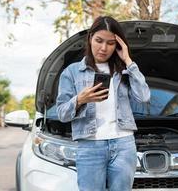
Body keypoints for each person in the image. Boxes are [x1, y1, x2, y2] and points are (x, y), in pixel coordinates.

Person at [56, 16, 150, 191]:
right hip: (90, 145)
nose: (104, 48)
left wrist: (128, 60)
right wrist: (80, 100)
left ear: (118, 45)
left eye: (111, 43)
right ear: (90, 38)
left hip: (123, 143)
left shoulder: (124, 70)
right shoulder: (72, 72)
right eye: (99, 40)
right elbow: (61, 113)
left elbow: (144, 97)